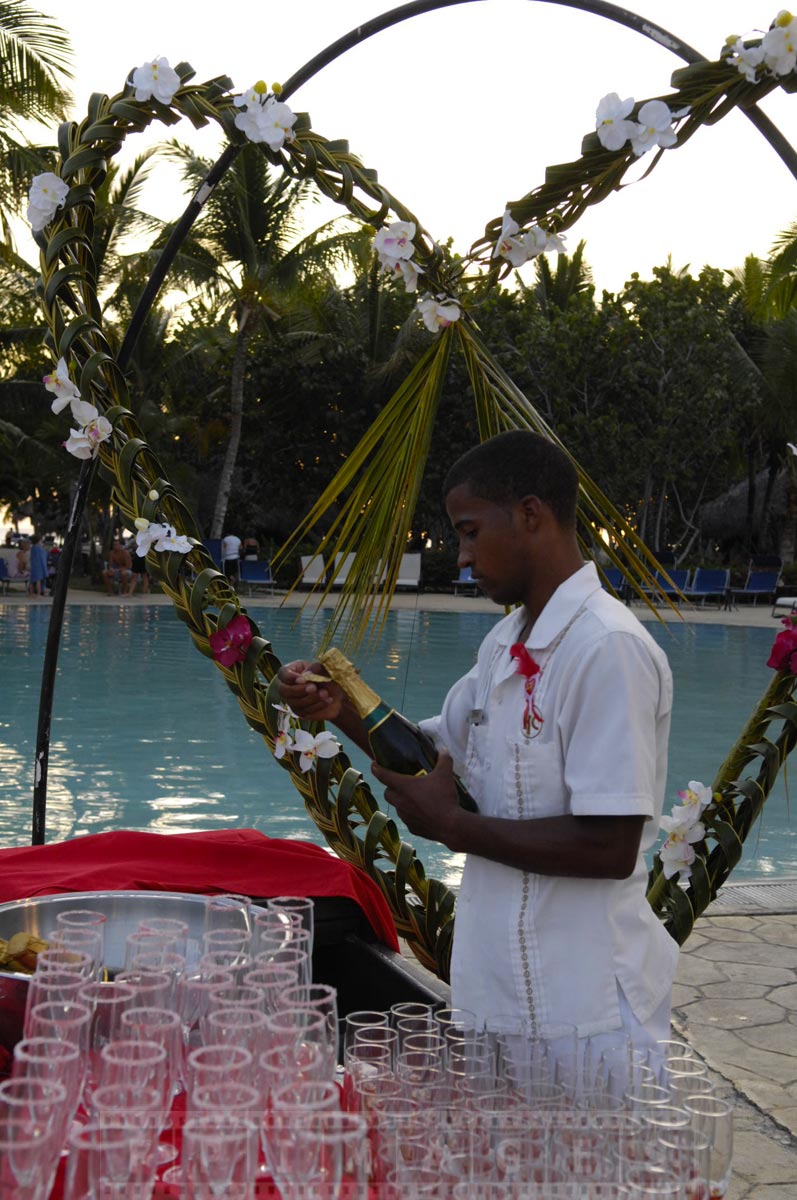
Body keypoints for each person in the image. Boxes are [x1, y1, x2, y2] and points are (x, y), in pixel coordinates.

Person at [278, 430, 678, 1056]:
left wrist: (456, 830)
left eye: (469, 531)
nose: (462, 557)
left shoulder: (607, 649)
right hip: (496, 999)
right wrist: (341, 710)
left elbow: (610, 844)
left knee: (583, 1158)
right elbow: (433, 752)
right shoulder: (504, 646)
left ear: (529, 514)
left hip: (585, 1015)